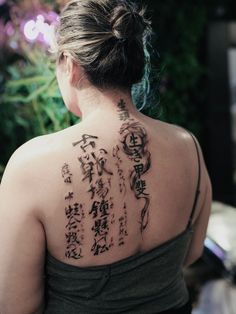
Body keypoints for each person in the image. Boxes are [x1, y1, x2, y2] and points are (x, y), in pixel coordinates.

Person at [0, 0, 212, 313]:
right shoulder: (187, 145)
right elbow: (192, 253)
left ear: (70, 65)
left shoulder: (30, 165)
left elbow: (14, 305)